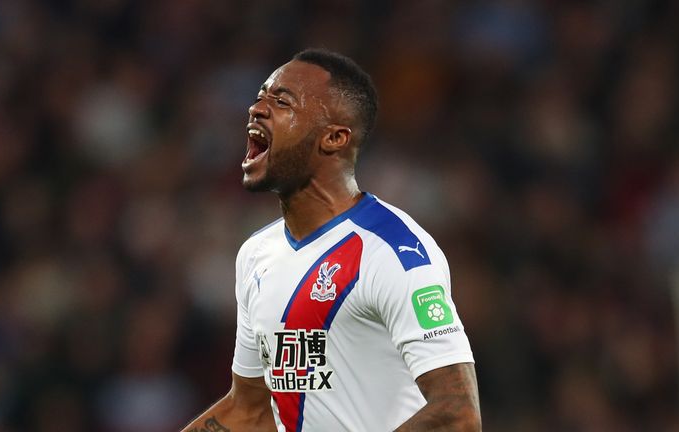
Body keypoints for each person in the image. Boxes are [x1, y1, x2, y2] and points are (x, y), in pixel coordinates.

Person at [181, 48, 481, 432]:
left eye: (282, 101)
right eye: (260, 97)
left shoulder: (391, 251)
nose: (256, 109)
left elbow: (458, 414)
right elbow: (250, 410)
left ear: (335, 138)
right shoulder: (257, 254)